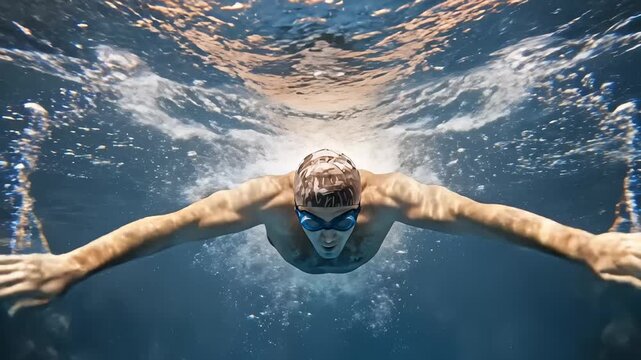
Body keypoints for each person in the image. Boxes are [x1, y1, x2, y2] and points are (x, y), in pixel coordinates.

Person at [1, 149, 640, 316]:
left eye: (342, 221)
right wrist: (73, 264)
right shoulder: (265, 201)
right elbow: (170, 228)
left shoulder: (394, 198)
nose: (328, 236)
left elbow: (488, 217)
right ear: (295, 207)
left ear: (363, 202)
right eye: (314, 222)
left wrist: (585, 245)